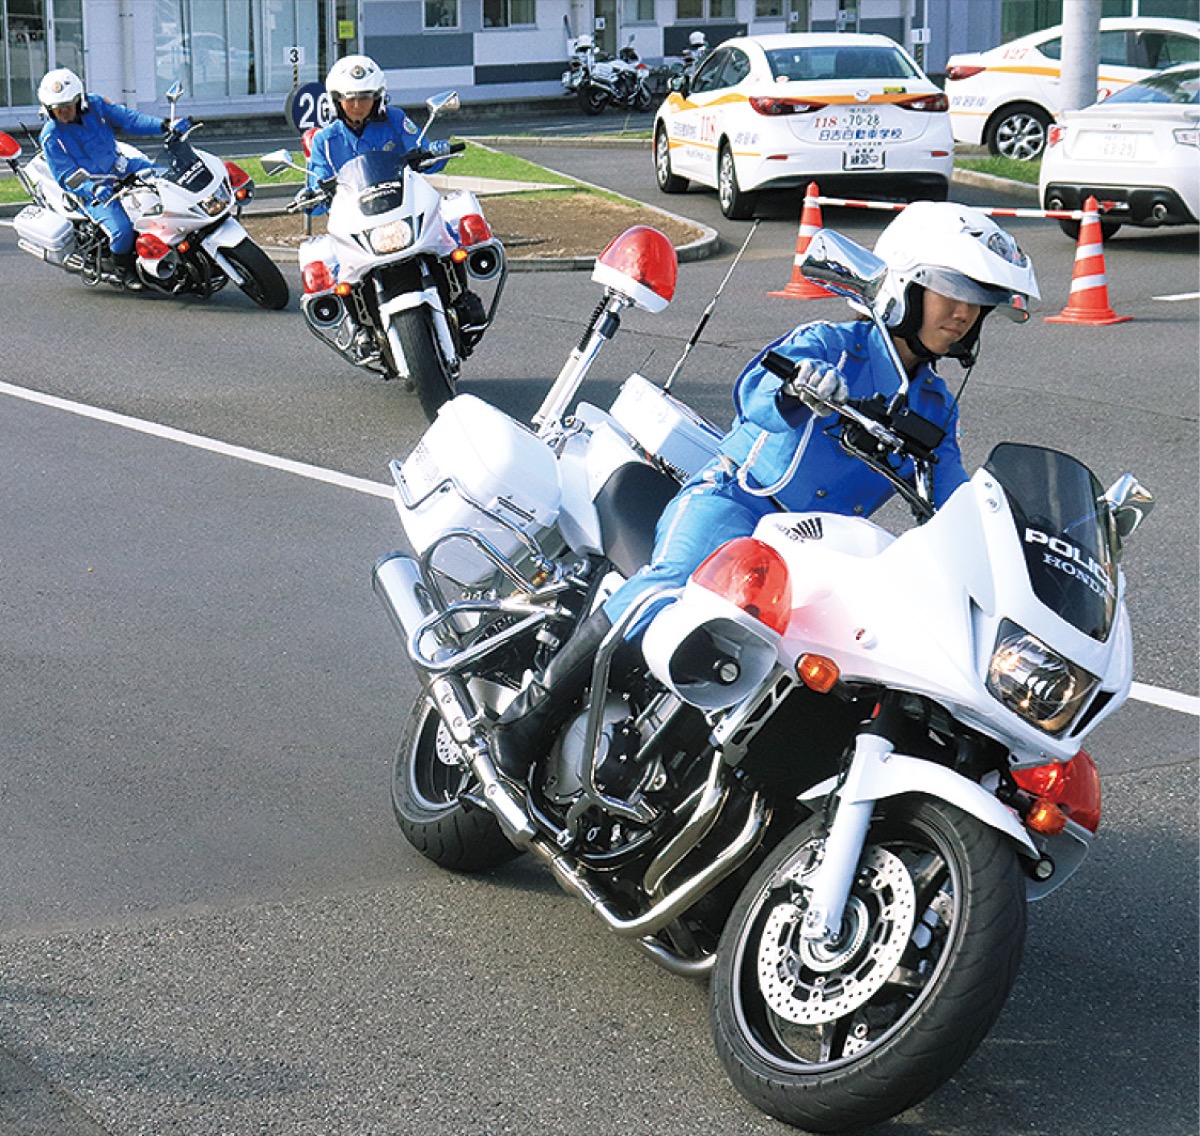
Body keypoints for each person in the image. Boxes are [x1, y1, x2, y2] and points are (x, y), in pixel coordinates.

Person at [489, 200, 1040, 780]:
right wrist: (794, 391)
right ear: (905, 288)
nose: (964, 314)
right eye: (951, 293)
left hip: (816, 551)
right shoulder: (831, 344)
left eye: (978, 304)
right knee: (671, 587)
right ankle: (530, 721)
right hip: (737, 507)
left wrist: (1003, 542)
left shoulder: (933, 407)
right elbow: (754, 389)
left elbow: (951, 498)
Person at [304, 55, 485, 329]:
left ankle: (460, 296)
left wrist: (434, 152)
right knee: (331, 268)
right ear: (335, 100)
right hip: (358, 222)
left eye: (364, 97)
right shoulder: (324, 141)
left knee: (448, 235)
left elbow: (421, 150)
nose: (356, 105)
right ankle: (360, 328)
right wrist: (311, 194)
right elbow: (316, 184)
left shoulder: (395, 119)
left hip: (402, 206)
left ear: (378, 97)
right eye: (349, 98)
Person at [38, 68, 180, 290]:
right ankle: (124, 269)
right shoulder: (51, 137)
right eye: (57, 108)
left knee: (167, 178)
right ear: (48, 109)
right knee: (121, 230)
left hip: (120, 167)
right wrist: (91, 189)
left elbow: (129, 120)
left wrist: (164, 126)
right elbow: (65, 175)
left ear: (79, 99)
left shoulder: (96, 105)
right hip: (92, 189)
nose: (63, 111)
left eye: (67, 104)